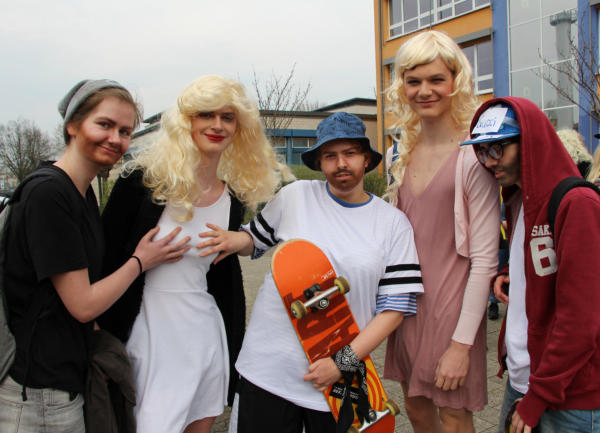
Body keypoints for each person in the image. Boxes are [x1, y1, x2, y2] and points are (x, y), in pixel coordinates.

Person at [197, 112, 424, 433]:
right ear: (319, 162)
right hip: (268, 368)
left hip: (338, 382)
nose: (340, 163)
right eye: (330, 156)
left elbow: (394, 310)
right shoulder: (296, 196)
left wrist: (342, 363)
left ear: (366, 159)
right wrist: (235, 240)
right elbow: (254, 240)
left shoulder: (392, 223)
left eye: (350, 153)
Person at [97, 75, 290, 433]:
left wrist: (239, 240)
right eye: (206, 115)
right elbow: (102, 261)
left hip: (203, 332)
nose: (217, 125)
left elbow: (227, 272)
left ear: (239, 127)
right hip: (147, 331)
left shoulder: (232, 197)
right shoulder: (142, 182)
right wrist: (101, 336)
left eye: (227, 117)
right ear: (186, 120)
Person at [0, 79, 190, 433]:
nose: (115, 139)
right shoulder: (49, 194)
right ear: (73, 125)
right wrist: (141, 261)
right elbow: (83, 304)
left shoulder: (82, 193)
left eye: (125, 131)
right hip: (39, 393)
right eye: (104, 124)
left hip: (64, 381)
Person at [382, 30, 500, 433]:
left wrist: (462, 344)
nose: (424, 91)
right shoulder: (399, 153)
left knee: (453, 416)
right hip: (405, 304)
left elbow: (485, 259)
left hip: (453, 307)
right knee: (415, 410)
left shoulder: (474, 153)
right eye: (413, 81)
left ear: (456, 82)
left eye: (436, 79)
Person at [461, 97, 600, 433]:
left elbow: (581, 318)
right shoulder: (518, 200)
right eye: (481, 150)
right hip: (523, 379)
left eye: (498, 148)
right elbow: (541, 256)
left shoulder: (577, 204)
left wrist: (539, 396)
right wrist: (511, 272)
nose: (488, 161)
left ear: (531, 142)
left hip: (568, 398)